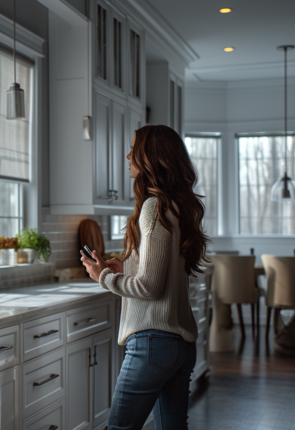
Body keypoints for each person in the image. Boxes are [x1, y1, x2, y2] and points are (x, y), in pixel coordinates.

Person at [81, 125, 209, 430]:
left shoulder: (154, 208)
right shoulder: (176, 207)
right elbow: (161, 274)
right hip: (180, 345)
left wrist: (103, 277)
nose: (127, 155)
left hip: (153, 342)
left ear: (151, 157)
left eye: (133, 148)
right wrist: (125, 269)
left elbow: (150, 288)